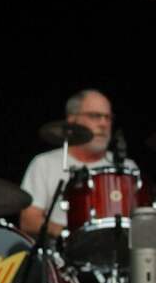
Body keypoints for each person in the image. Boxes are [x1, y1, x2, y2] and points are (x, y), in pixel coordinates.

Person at [19, 89, 139, 238]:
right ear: (72, 119)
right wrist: (73, 236)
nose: (103, 123)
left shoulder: (127, 168)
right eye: (95, 116)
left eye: (108, 117)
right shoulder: (45, 164)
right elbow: (29, 221)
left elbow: (144, 222)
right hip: (62, 254)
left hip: (120, 254)